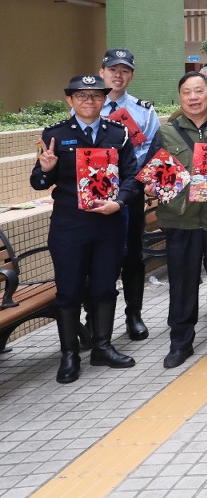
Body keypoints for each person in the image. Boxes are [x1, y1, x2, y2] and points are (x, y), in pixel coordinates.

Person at [30, 75, 141, 383]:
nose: (89, 101)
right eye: (82, 96)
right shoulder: (55, 134)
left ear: (104, 100)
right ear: (70, 100)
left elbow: (132, 176)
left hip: (108, 224)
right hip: (70, 225)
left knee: (105, 286)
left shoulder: (117, 133)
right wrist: (46, 169)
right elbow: (38, 182)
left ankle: (102, 346)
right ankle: (69, 354)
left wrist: (119, 202)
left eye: (95, 96)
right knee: (68, 290)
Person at [141, 72, 207, 369]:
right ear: (180, 97)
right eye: (187, 92)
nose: (193, 97)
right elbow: (151, 171)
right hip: (181, 220)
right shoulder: (165, 133)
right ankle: (180, 342)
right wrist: (150, 186)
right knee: (182, 284)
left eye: (199, 91)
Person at [97, 48, 160, 342]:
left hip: (130, 191)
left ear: (131, 75)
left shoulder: (143, 111)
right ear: (102, 72)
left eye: (124, 70)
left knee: (133, 254)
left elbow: (152, 151)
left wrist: (138, 181)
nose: (118, 75)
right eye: (113, 69)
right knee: (97, 256)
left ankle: (134, 315)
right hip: (96, 194)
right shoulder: (88, 106)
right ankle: (95, 319)